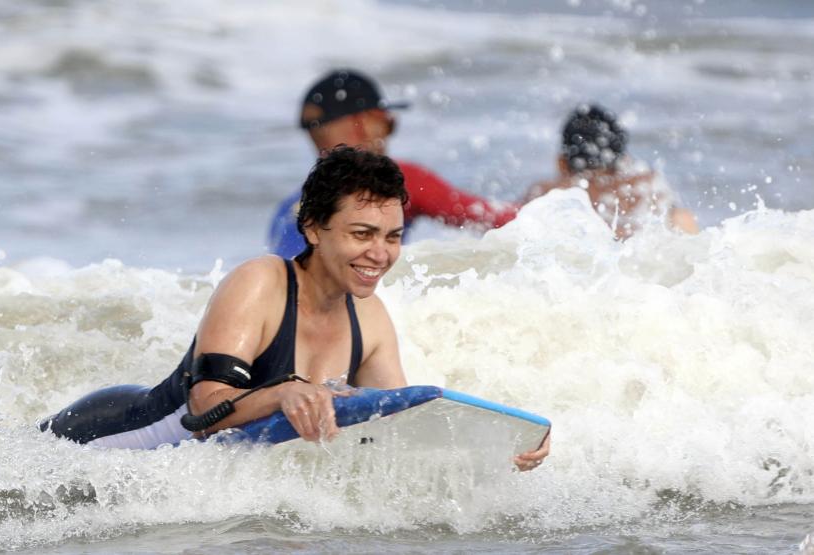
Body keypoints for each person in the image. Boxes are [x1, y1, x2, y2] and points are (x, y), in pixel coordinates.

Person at [41, 146, 550, 471]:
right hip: (110, 438)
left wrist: (496, 450)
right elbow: (203, 410)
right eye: (361, 234)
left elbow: (397, 430)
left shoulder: (369, 318)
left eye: (393, 237)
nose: (381, 254)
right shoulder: (261, 283)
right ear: (312, 229)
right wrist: (283, 393)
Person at [269, 69, 521, 259]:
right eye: (387, 123)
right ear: (365, 121)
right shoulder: (394, 180)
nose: (387, 133)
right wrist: (548, 204)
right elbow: (492, 219)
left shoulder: (289, 208)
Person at [523, 103, 699, 240]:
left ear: (561, 163)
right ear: (624, 160)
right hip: (640, 259)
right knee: (681, 218)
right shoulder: (647, 185)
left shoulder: (547, 192)